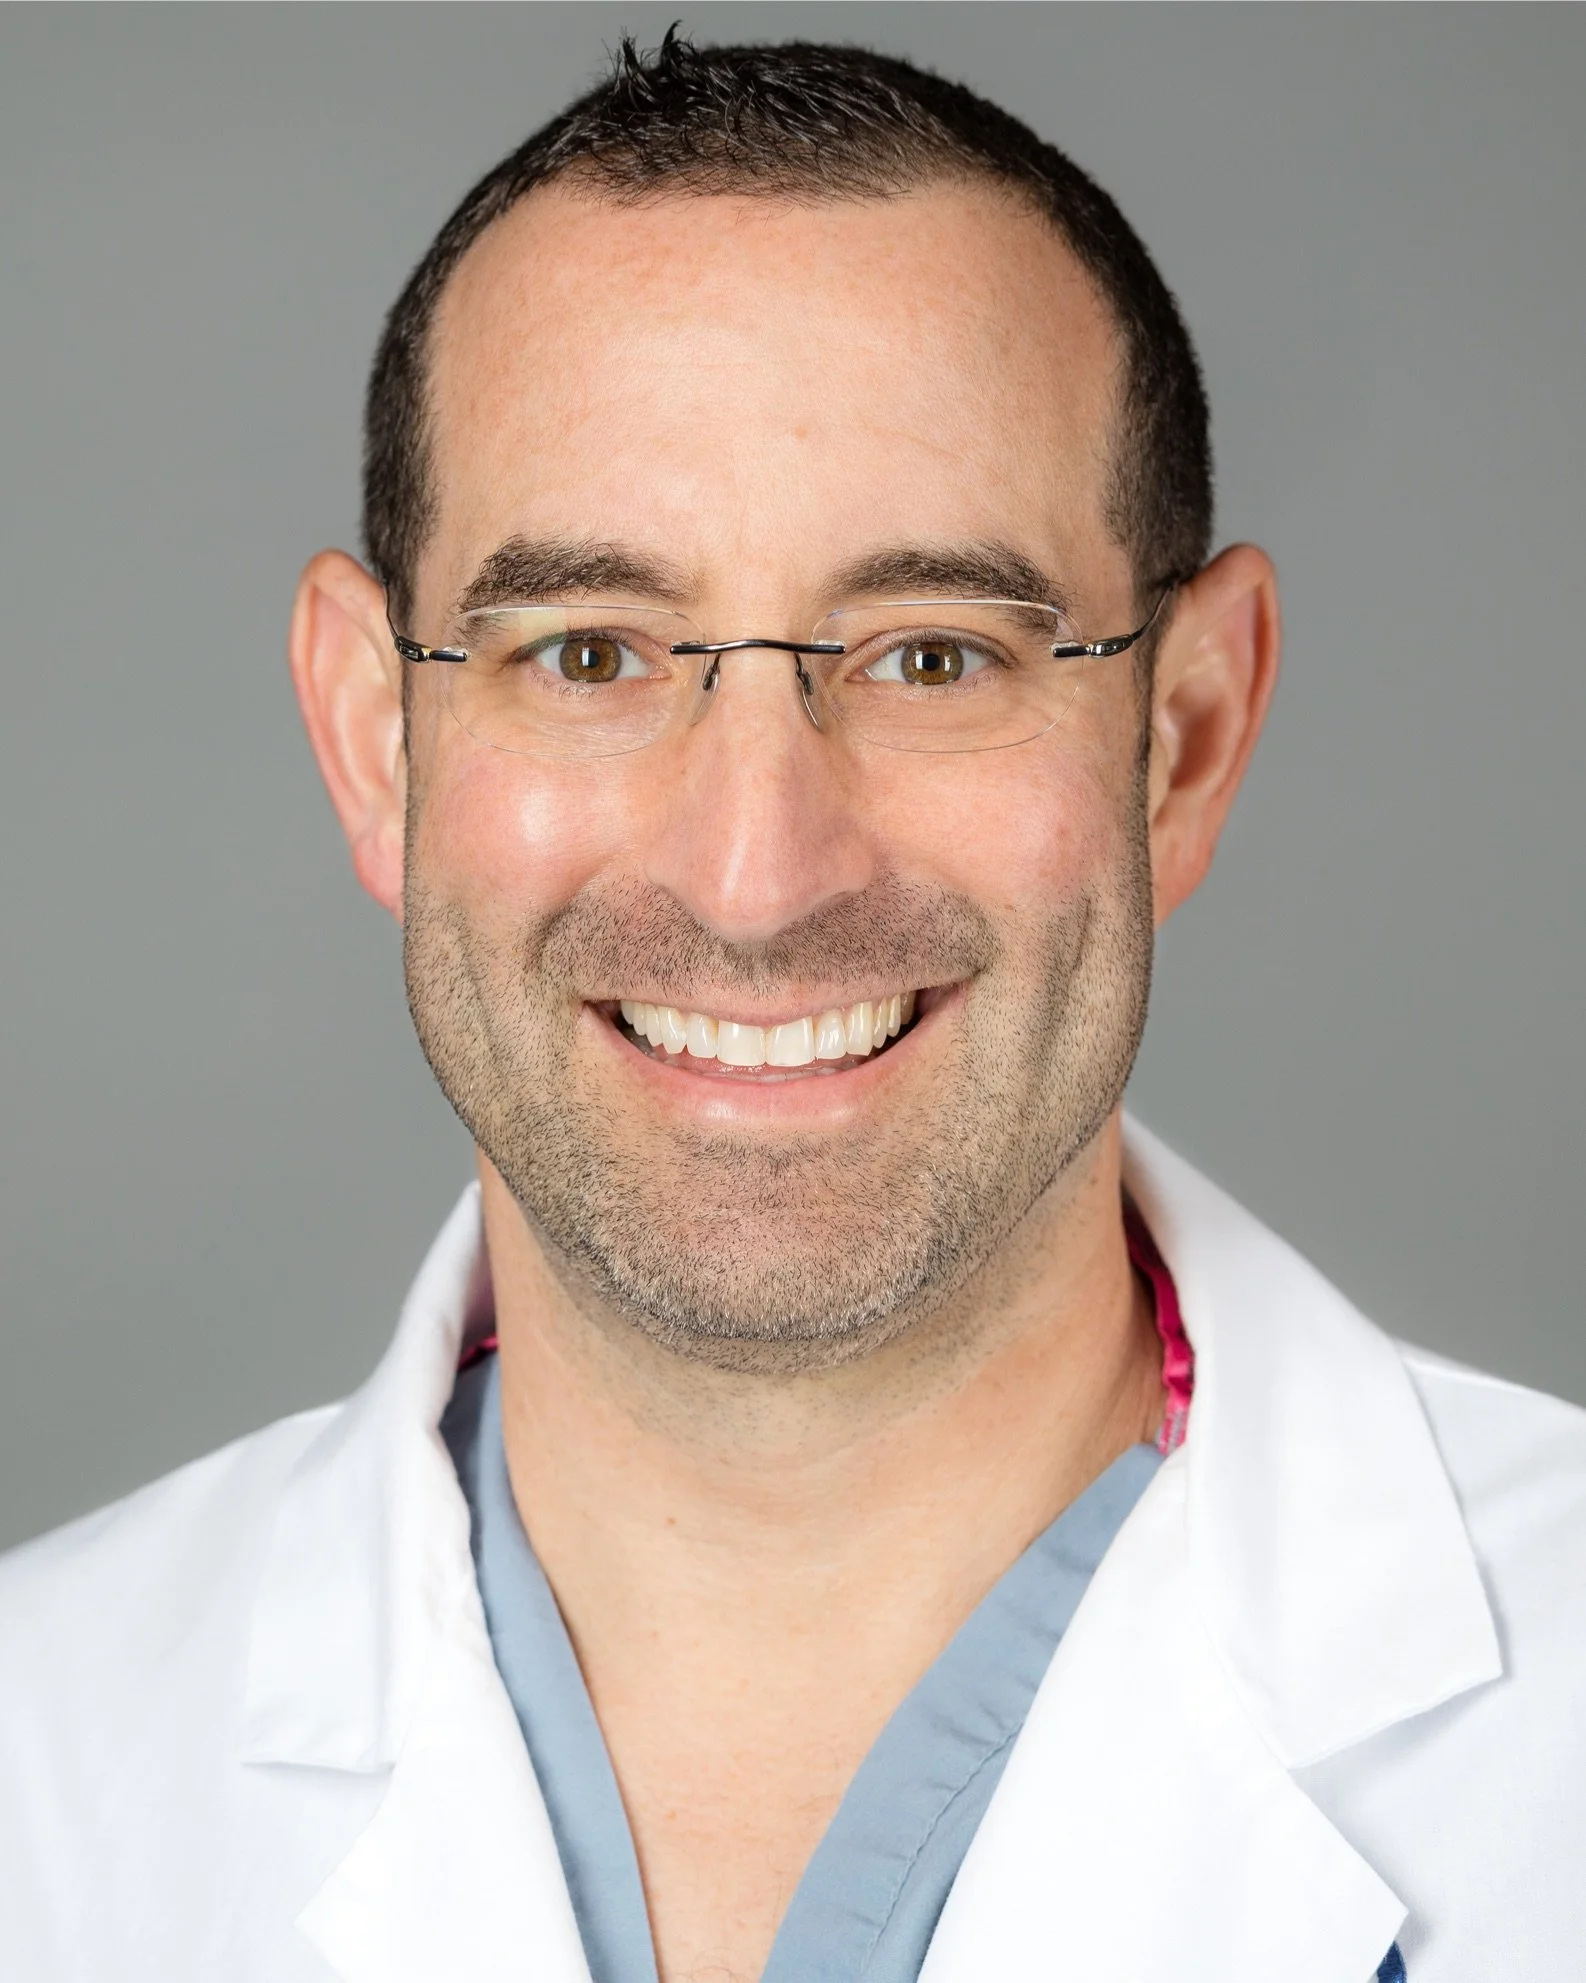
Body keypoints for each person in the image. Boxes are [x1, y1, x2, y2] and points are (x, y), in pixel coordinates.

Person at [2, 30, 1582, 1983]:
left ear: (1181, 735)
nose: (757, 874)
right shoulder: (39, 1768)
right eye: (591, 652)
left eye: (931, 655)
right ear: (374, 739)